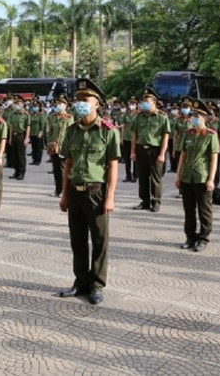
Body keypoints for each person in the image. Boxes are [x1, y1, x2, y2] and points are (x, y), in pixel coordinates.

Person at [56, 78, 120, 305]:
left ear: (97, 104)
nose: (80, 103)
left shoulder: (108, 131)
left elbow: (112, 166)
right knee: (78, 240)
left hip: (97, 192)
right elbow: (68, 165)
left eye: (86, 100)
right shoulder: (72, 130)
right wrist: (64, 194)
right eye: (78, 99)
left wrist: (110, 196)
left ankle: (97, 285)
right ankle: (80, 281)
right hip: (75, 191)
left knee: (100, 240)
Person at [174, 98, 219, 252]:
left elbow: (214, 159)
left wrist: (211, 179)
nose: (194, 118)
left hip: (202, 176)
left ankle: (203, 238)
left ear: (205, 118)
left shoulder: (211, 135)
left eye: (197, 116)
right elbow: (183, 156)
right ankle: (190, 237)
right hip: (187, 176)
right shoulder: (188, 134)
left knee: (204, 210)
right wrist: (178, 175)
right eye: (193, 115)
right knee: (189, 209)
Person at [131, 87, 170, 212]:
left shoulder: (162, 117)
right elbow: (134, 135)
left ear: (154, 102)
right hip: (141, 149)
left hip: (155, 150)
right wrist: (133, 151)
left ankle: (155, 201)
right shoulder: (139, 117)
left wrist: (162, 153)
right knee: (142, 176)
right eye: (143, 101)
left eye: (147, 101)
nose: (145, 104)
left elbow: (165, 136)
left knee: (155, 177)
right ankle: (145, 201)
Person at [47, 94, 74, 197]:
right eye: (57, 103)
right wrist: (49, 144)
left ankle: (65, 191)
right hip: (53, 147)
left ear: (66, 106)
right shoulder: (53, 117)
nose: (58, 105)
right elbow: (50, 132)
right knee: (56, 170)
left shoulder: (69, 118)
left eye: (61, 104)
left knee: (64, 170)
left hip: (63, 147)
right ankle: (57, 190)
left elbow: (71, 134)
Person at [7, 95, 31, 180]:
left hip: (21, 136)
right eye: (16, 103)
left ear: (23, 104)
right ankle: (16, 171)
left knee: (21, 155)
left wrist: (26, 138)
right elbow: (11, 127)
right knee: (14, 155)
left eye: (19, 103)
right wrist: (10, 138)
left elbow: (28, 127)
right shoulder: (13, 114)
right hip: (14, 135)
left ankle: (21, 172)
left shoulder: (26, 115)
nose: (17, 105)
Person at [120, 97, 138, 183]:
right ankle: (128, 175)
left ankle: (135, 175)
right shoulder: (126, 114)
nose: (132, 105)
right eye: (131, 103)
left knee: (134, 157)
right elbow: (124, 126)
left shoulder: (138, 115)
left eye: (133, 104)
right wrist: (122, 137)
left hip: (135, 139)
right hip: (127, 138)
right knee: (127, 158)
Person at [29, 100, 46, 165]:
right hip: (32, 132)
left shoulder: (41, 115)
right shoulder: (32, 115)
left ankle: (38, 160)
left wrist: (41, 131)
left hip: (38, 132)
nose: (35, 107)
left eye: (36, 106)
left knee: (39, 147)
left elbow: (42, 123)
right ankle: (34, 159)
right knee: (33, 147)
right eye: (34, 106)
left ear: (39, 107)